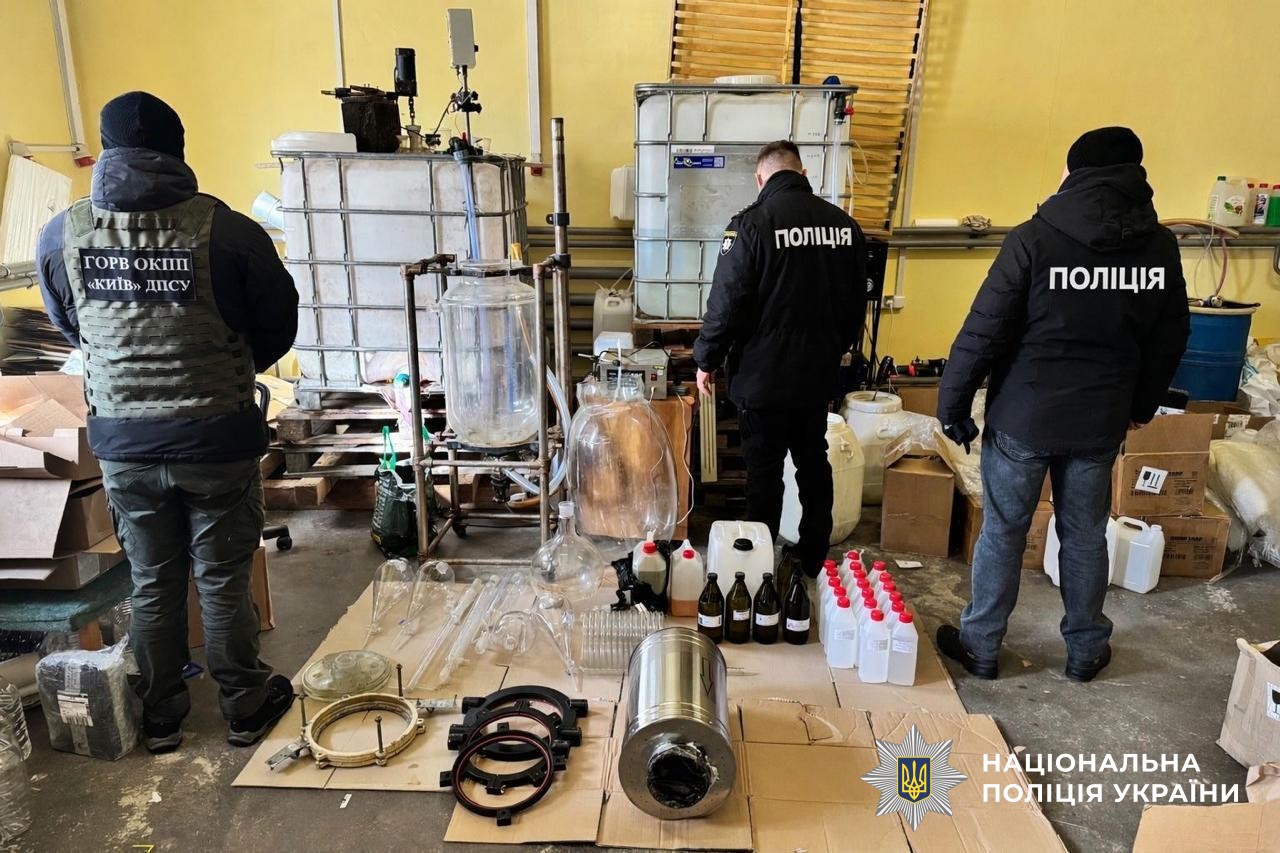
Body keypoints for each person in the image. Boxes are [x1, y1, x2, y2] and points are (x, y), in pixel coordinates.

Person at [36, 91, 300, 752]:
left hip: (124, 443)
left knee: (153, 580)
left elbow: (72, 326)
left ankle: (160, 716)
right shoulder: (229, 232)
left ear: (107, 152)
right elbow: (277, 323)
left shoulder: (63, 235)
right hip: (216, 439)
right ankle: (244, 705)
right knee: (222, 577)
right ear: (177, 149)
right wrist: (223, 367)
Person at [935, 127, 1189, 683]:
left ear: (1074, 174)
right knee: (1084, 534)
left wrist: (952, 405)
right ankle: (1086, 649)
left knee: (1004, 531)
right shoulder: (1159, 247)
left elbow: (983, 330)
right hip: (1099, 422)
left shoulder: (1035, 238)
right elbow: (1170, 338)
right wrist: (1141, 406)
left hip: (1024, 417)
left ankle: (981, 646)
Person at [693, 140, 867, 578]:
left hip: (762, 378)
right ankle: (813, 557)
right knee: (813, 462)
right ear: (803, 173)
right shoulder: (844, 227)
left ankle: (760, 568)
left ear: (760, 178)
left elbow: (726, 303)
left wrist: (706, 359)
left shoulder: (751, 225)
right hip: (816, 376)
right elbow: (855, 307)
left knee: (764, 473)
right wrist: (832, 350)